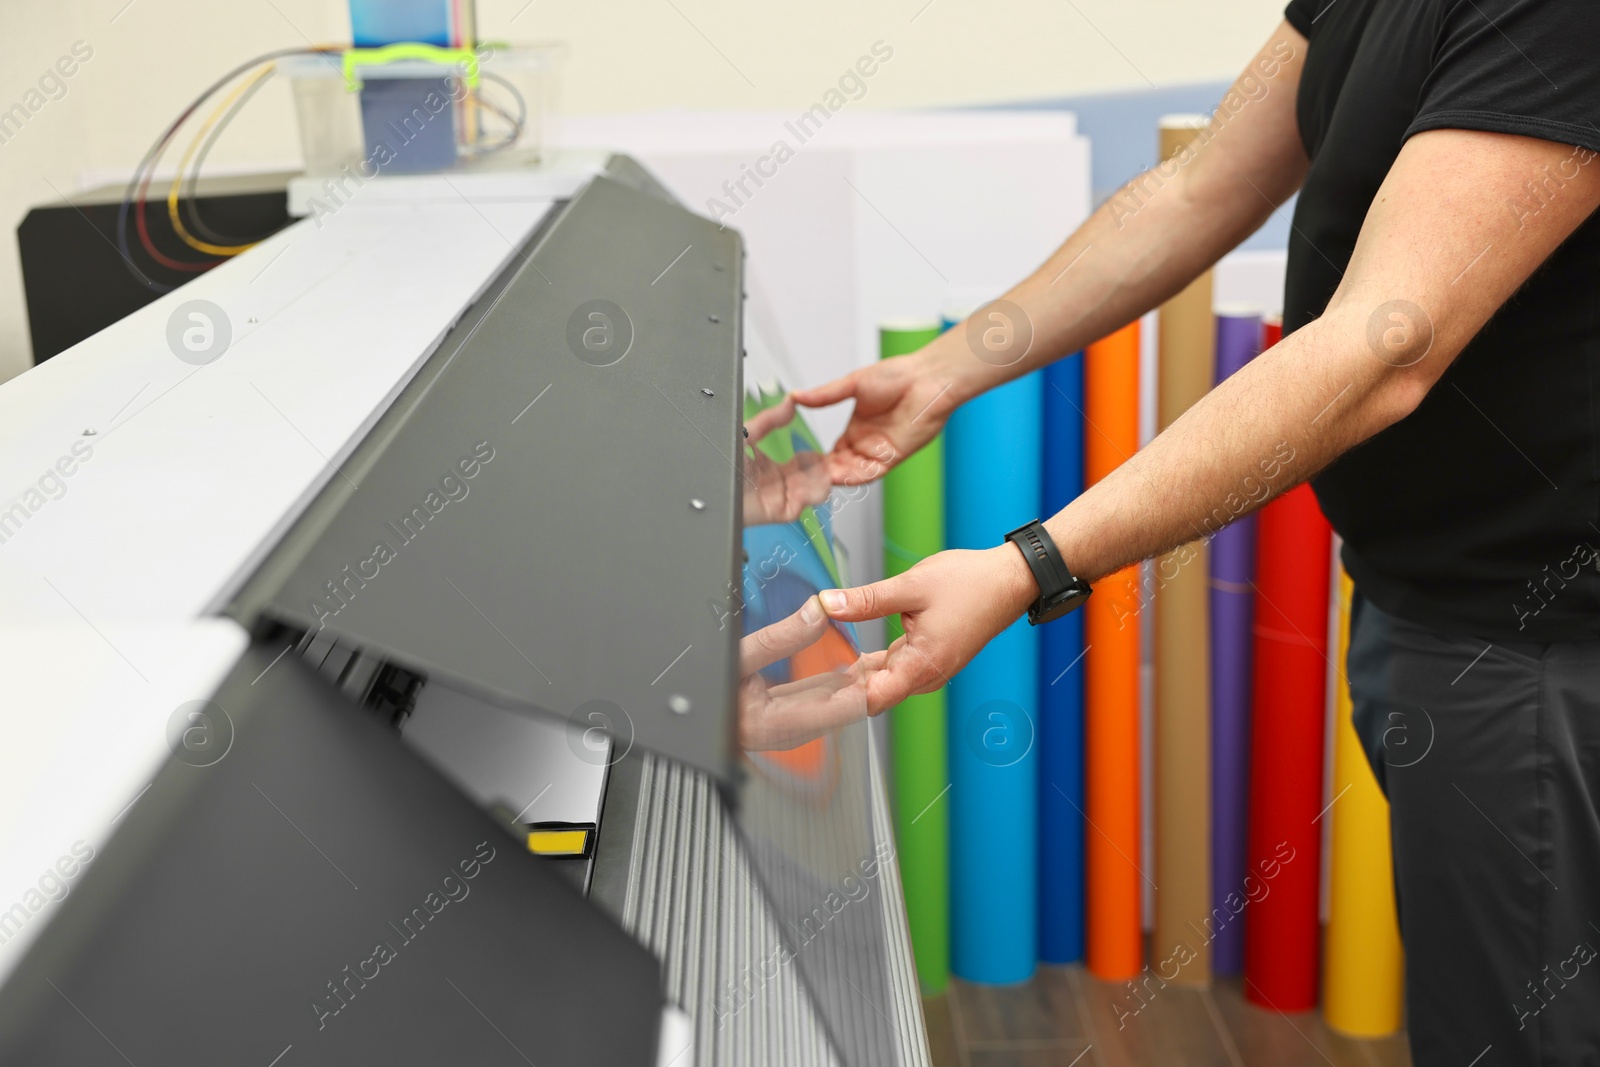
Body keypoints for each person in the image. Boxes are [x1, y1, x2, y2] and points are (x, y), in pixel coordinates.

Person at [787, 3, 1600, 1064]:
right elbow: (1196, 187)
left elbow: (1381, 347)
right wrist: (945, 370)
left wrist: (1030, 562)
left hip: (1532, 630)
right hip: (1421, 591)